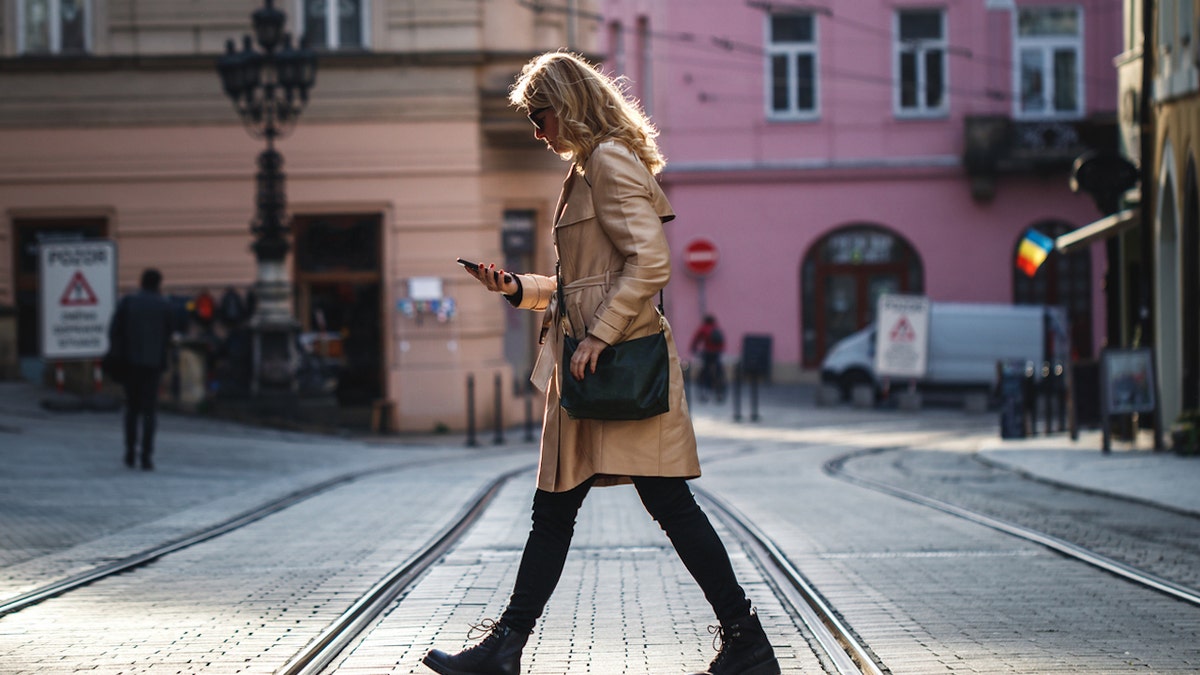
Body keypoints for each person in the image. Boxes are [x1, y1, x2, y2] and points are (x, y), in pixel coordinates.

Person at [424, 52, 779, 675]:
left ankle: (745, 641)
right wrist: (517, 288)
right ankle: (507, 647)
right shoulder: (588, 168)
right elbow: (582, 280)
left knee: (654, 507)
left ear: (569, 104)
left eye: (541, 115)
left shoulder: (609, 161)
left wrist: (599, 338)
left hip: (614, 368)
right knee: (561, 510)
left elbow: (652, 263)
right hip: (590, 372)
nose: (537, 131)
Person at [108, 268, 175, 470]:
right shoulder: (165, 305)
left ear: (141, 282)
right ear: (158, 284)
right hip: (153, 365)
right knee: (149, 411)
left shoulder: (128, 302)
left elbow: (113, 331)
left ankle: (129, 452)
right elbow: (169, 335)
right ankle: (146, 456)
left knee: (131, 409)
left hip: (130, 364)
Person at [690, 315, 727, 402]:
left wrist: (694, 348)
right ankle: (720, 391)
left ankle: (705, 391)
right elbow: (722, 341)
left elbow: (696, 339)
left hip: (708, 353)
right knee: (718, 371)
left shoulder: (704, 328)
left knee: (705, 371)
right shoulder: (716, 328)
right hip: (717, 353)